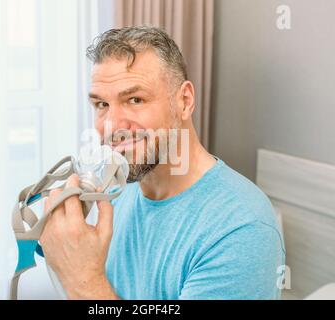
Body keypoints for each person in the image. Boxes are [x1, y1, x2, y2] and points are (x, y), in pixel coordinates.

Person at [40, 26, 285, 300]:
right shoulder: (119, 189)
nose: (111, 126)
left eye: (135, 99)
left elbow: (90, 285)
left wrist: (81, 278)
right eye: (101, 105)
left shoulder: (242, 228)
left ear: (184, 101)